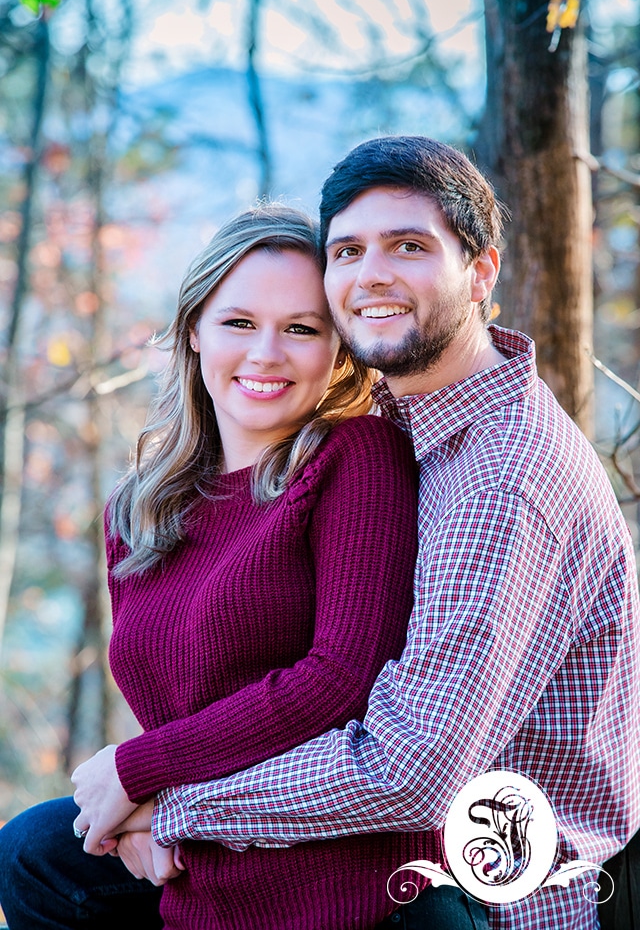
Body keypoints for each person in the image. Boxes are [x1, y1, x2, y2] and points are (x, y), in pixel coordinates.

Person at [71, 137, 639, 930]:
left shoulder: (500, 481)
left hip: (491, 896)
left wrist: (164, 803)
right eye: (348, 250)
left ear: (482, 272)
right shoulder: (411, 419)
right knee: (38, 858)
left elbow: (407, 768)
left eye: (409, 246)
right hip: (378, 845)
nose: (372, 274)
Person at [0, 204, 488, 930]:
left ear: (336, 349)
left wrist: (138, 775)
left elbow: (341, 681)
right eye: (238, 323)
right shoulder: (141, 508)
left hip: (344, 881)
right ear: (194, 329)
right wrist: (144, 809)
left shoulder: (355, 459)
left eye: (300, 329)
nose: (266, 353)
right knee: (29, 854)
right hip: (207, 855)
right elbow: (175, 695)